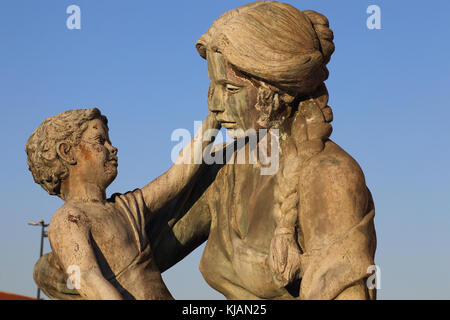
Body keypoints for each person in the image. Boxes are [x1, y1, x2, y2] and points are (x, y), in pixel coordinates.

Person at [33, 1, 377, 300]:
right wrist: (60, 265)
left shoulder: (331, 176)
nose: (213, 103)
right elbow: (132, 253)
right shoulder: (227, 168)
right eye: (211, 87)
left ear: (274, 90)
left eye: (229, 88)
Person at [26, 107, 219, 299]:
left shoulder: (126, 206)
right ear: (67, 152)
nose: (112, 148)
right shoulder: (68, 220)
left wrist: (214, 118)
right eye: (100, 140)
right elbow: (88, 279)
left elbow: (177, 176)